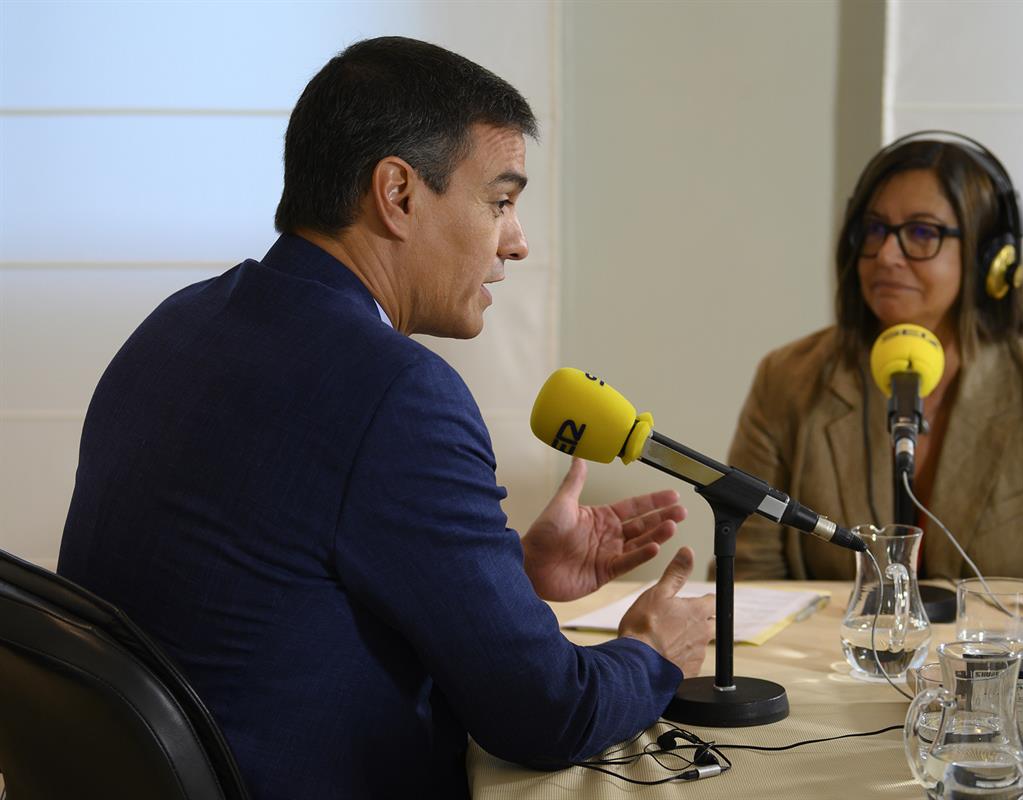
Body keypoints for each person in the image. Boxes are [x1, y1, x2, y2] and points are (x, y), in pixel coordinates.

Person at [58, 37, 715, 800]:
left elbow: (277, 584)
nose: (519, 242)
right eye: (500, 201)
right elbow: (546, 714)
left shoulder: (180, 323)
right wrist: (651, 651)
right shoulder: (399, 392)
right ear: (397, 193)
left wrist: (512, 578)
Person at [729, 131, 1023, 582]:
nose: (887, 255)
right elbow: (750, 581)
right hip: (831, 653)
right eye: (875, 229)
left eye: (921, 233)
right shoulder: (787, 380)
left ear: (991, 261)